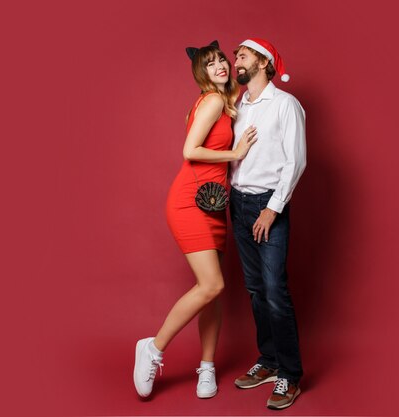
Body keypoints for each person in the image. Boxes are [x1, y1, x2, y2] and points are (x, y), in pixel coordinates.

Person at [133, 41, 257, 399]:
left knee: (212, 296)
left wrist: (260, 68)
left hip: (214, 203)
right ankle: (153, 348)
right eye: (212, 63)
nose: (220, 66)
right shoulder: (214, 100)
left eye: (222, 60)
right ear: (200, 73)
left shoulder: (225, 99)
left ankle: (207, 368)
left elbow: (247, 85)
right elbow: (190, 150)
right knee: (212, 286)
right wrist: (237, 151)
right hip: (190, 201)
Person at [229, 38, 306, 410]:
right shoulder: (239, 105)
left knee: (275, 291)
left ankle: (290, 374)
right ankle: (270, 361)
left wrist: (272, 209)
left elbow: (296, 161)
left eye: (242, 55)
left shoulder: (285, 105)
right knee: (256, 289)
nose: (235, 60)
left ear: (262, 62)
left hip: (266, 205)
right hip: (238, 203)